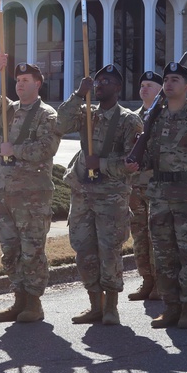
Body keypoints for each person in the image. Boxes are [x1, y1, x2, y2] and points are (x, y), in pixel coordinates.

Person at [125, 62, 187, 329]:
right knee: (164, 255)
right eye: (166, 79)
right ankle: (171, 307)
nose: (168, 84)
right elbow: (148, 157)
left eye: (175, 80)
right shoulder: (156, 118)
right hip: (159, 197)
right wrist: (135, 161)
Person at [0, 54, 61, 323]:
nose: (20, 84)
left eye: (26, 80)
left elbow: (48, 148)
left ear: (38, 84)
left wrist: (17, 150)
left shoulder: (47, 114)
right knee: (10, 250)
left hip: (32, 193)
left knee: (32, 249)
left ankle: (33, 303)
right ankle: (19, 299)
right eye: (17, 80)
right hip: (6, 191)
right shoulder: (7, 109)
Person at [57, 64, 143, 325]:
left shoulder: (129, 120)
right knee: (84, 251)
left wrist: (102, 165)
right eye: (97, 81)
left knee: (109, 251)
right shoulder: (86, 115)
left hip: (111, 196)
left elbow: (134, 162)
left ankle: (111, 307)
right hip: (82, 193)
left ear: (118, 88)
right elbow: (60, 125)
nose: (100, 84)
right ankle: (95, 304)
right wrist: (76, 94)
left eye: (106, 81)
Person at [127, 70, 163, 302]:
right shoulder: (133, 118)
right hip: (135, 187)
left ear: (160, 90)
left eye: (150, 85)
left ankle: (161, 283)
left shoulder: (165, 116)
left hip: (157, 187)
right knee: (139, 236)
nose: (144, 89)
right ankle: (147, 280)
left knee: (158, 237)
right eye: (142, 85)